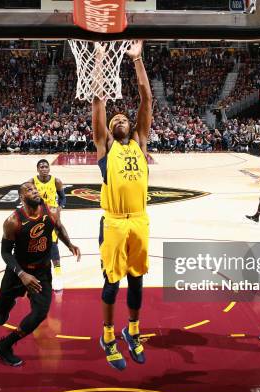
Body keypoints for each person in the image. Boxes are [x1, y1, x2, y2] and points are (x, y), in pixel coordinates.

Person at [91, 40, 152, 370]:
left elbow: (146, 98)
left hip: (139, 220)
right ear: (110, 131)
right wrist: (100, 60)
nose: (119, 118)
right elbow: (99, 102)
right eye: (114, 120)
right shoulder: (104, 147)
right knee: (111, 282)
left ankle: (133, 332)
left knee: (137, 281)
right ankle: (108, 336)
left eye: (124, 117)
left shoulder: (141, 141)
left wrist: (137, 59)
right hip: (113, 222)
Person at [0, 182, 81, 366]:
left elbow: (58, 227)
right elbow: (5, 253)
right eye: (29, 190)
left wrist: (69, 244)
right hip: (18, 270)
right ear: (21, 197)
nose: (34, 191)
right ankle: (4, 309)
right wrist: (22, 274)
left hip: (41, 271)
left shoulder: (51, 211)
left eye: (35, 189)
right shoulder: (13, 221)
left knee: (40, 313)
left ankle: (4, 346)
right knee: (2, 309)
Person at [29, 159, 67, 291]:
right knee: (36, 244)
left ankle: (57, 274)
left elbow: (63, 197)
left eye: (46, 166)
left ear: (49, 168)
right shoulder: (32, 182)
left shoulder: (56, 181)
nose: (44, 169)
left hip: (51, 216)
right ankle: (37, 273)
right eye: (41, 167)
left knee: (53, 244)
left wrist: (59, 208)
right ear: (37, 169)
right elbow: (25, 197)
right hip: (37, 216)